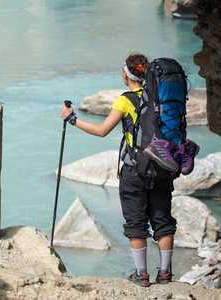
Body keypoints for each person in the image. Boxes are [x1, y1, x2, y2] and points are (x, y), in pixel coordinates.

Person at [60, 53, 176, 287]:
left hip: (135, 171)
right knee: (162, 222)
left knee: (136, 223)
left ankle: (142, 275)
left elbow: (103, 130)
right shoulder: (160, 98)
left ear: (126, 74)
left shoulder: (126, 100)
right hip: (163, 167)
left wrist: (72, 119)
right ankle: (165, 275)